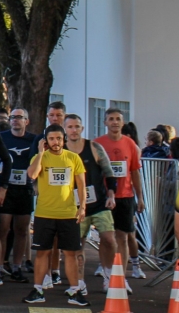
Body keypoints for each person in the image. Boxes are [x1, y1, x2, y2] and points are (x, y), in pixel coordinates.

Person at [23, 124, 88, 307]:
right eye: (51, 139)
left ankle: (75, 290)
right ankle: (38, 289)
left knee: (70, 253)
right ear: (46, 140)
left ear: (64, 139)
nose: (55, 142)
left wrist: (82, 207)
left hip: (67, 213)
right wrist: (41, 153)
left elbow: (81, 184)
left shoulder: (73, 158)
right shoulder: (39, 157)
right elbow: (32, 174)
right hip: (45, 213)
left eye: (58, 138)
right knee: (42, 253)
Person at [64, 114, 118, 295]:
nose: (73, 130)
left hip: (99, 203)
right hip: (75, 207)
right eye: (70, 127)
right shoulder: (60, 151)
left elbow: (109, 173)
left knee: (109, 239)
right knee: (77, 244)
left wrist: (111, 195)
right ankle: (79, 281)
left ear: (82, 128)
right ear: (65, 129)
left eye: (76, 127)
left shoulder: (94, 148)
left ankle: (108, 274)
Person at [95, 108, 145, 290]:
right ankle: (107, 274)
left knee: (123, 237)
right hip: (104, 197)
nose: (115, 122)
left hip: (125, 196)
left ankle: (121, 277)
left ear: (122, 123)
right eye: (111, 119)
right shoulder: (97, 144)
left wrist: (140, 198)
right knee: (106, 238)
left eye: (118, 119)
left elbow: (135, 172)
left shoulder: (130, 144)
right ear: (105, 123)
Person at [0, 107, 36, 284]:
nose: (15, 120)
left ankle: (17, 266)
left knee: (22, 229)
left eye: (19, 117)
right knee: (2, 229)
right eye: (12, 117)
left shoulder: (34, 140)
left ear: (26, 121)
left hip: (25, 189)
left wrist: (34, 184)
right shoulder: (2, 137)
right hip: (6, 188)